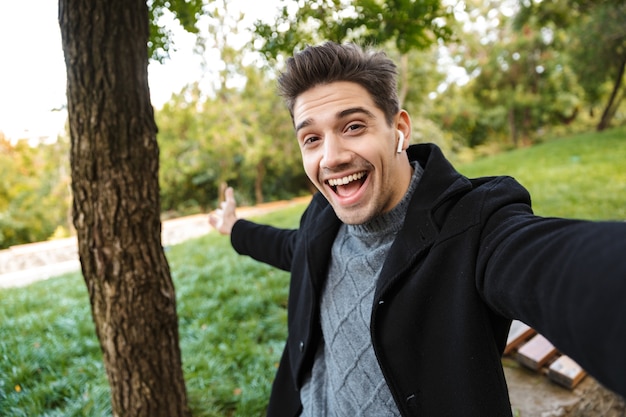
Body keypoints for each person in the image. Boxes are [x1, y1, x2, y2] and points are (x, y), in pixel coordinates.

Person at [209, 41, 626, 416]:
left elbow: (556, 266)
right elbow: (291, 248)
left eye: (353, 126)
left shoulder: (475, 227)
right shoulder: (322, 217)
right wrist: (234, 228)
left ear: (399, 130)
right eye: (312, 139)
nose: (331, 157)